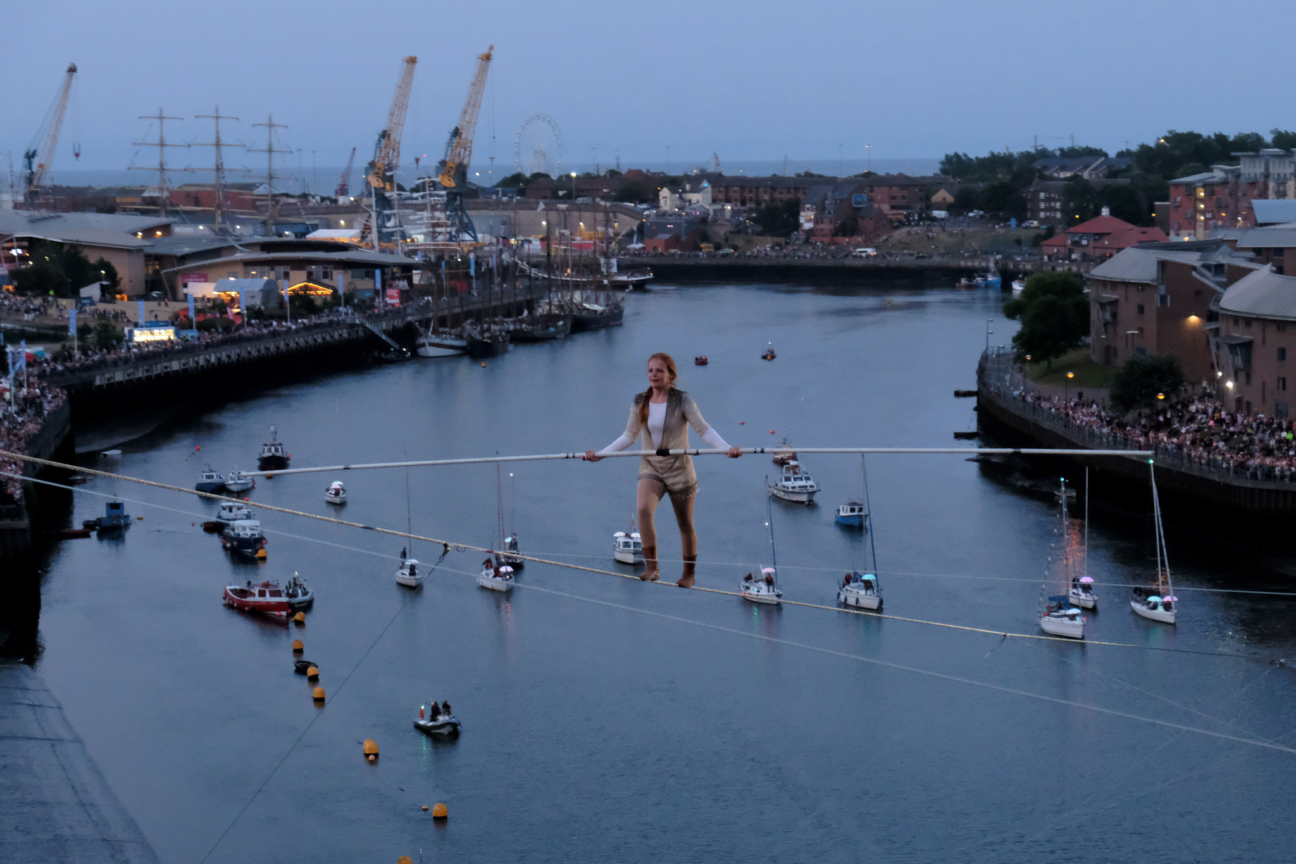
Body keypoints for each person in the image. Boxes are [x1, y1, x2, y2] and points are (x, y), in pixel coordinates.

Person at [585, 353, 740, 587]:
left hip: (680, 469)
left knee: (685, 523)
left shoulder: (682, 400)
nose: (653, 375)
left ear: (671, 375)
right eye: (650, 371)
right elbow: (629, 435)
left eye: (659, 371)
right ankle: (652, 567)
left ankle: (689, 574)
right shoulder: (640, 401)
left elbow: (703, 430)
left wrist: (727, 448)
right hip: (652, 467)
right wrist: (601, 455)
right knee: (643, 509)